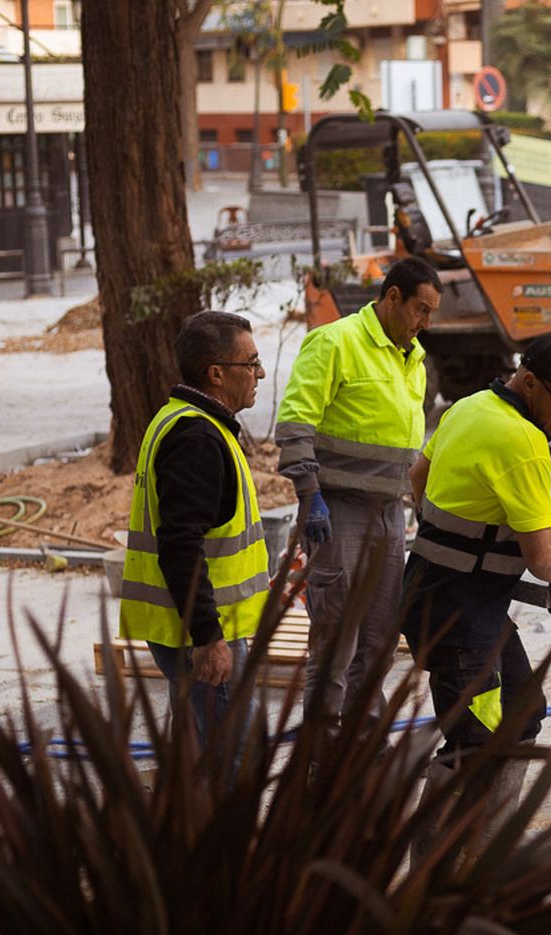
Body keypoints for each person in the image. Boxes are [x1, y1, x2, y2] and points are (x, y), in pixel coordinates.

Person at [401, 334, 551, 854]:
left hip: (439, 591)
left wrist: (461, 535)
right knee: (480, 740)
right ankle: (439, 871)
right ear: (530, 383)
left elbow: (417, 478)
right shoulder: (522, 439)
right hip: (461, 613)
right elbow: (542, 556)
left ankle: (484, 855)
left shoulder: (468, 408)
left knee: (520, 709)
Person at [276, 257, 442, 727]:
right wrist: (309, 493)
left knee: (379, 639)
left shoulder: (414, 359)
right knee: (336, 641)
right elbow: (293, 424)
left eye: (431, 314)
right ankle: (323, 749)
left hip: (388, 514)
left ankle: (362, 740)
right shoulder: (335, 341)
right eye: (420, 310)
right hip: (337, 512)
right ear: (392, 298)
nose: (425, 324)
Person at [119, 310, 271, 746]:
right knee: (233, 760)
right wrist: (207, 636)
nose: (259, 372)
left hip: (185, 630)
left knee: (197, 755)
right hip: (201, 635)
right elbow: (181, 544)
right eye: (251, 363)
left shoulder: (182, 420)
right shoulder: (197, 438)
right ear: (217, 374)